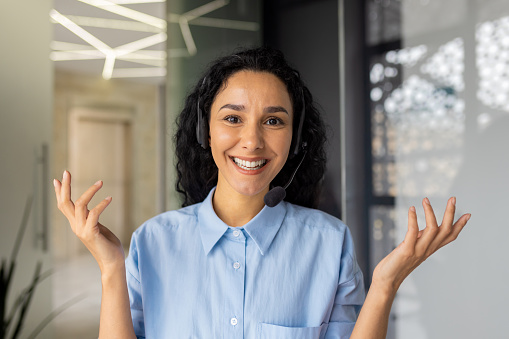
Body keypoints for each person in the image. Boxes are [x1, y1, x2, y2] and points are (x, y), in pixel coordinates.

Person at [53, 47, 470, 339]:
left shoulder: (329, 242)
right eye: (233, 118)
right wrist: (111, 269)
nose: (251, 141)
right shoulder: (153, 241)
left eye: (273, 121)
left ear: (296, 140)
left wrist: (385, 284)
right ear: (205, 131)